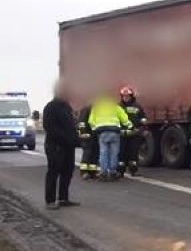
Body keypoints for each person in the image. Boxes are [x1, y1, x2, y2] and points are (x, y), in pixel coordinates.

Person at [42, 80, 80, 210]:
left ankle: (63, 198)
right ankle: (50, 200)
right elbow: (49, 127)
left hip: (68, 147)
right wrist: (65, 138)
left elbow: (72, 126)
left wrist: (76, 140)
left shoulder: (67, 107)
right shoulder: (51, 107)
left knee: (67, 172)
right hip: (55, 146)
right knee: (54, 172)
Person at [88, 93, 133, 181]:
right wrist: (130, 126)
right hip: (114, 132)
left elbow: (91, 121)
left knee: (103, 152)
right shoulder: (115, 107)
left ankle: (103, 173)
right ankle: (113, 172)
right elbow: (124, 119)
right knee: (114, 153)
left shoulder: (97, 107)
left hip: (102, 132)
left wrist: (95, 129)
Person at [118, 86, 147, 176]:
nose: (126, 98)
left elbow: (143, 117)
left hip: (135, 134)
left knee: (133, 153)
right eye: (124, 96)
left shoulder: (137, 106)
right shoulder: (118, 107)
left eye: (127, 96)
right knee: (121, 154)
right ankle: (120, 171)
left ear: (131, 96)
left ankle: (133, 170)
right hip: (122, 134)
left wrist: (143, 125)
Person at [76, 104, 100, 179]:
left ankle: (92, 172)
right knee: (87, 153)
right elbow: (81, 122)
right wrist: (84, 133)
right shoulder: (87, 109)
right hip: (87, 135)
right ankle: (84, 172)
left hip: (95, 135)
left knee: (95, 154)